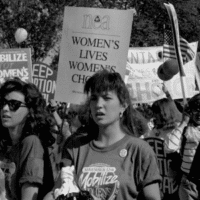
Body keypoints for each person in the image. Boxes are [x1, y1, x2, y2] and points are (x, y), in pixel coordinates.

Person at [44, 69, 161, 200]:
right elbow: (57, 191)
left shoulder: (140, 150)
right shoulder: (75, 147)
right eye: (94, 98)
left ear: (123, 105)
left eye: (107, 98)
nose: (98, 105)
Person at [0, 77, 56, 200]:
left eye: (13, 105)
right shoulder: (5, 143)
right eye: (2, 103)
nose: (5, 109)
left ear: (30, 110)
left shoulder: (31, 142)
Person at [165, 93, 200, 200]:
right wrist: (183, 123)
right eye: (195, 110)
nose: (199, 114)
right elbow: (169, 147)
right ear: (189, 112)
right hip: (188, 182)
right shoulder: (185, 129)